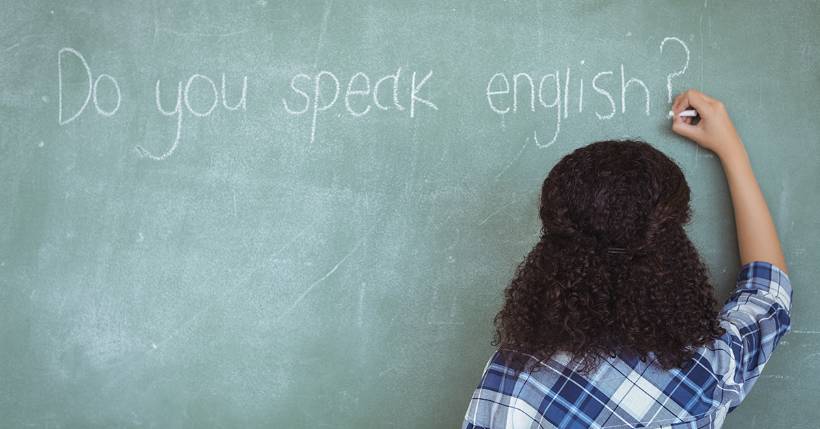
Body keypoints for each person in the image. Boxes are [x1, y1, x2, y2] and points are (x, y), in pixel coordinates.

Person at [462, 89, 792, 428]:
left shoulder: (513, 380)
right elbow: (768, 294)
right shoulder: (708, 369)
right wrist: (732, 151)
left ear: (554, 247)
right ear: (671, 243)